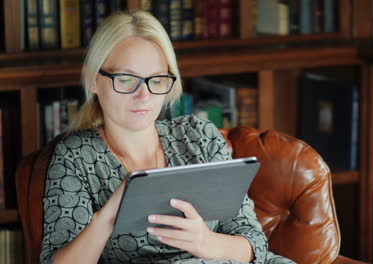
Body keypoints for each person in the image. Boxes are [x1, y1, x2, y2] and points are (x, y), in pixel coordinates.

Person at [40, 10, 295, 264]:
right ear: (92, 79)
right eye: (127, 79)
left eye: (157, 80)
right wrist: (107, 217)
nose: (144, 95)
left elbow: (255, 247)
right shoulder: (75, 157)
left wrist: (204, 241)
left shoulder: (199, 137)